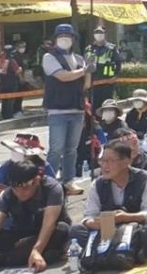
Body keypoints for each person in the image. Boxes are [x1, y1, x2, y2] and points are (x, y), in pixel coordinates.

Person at [70, 140, 147, 266]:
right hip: (106, 230)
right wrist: (94, 223)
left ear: (126, 162)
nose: (104, 166)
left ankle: (121, 252)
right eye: (102, 160)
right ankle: (116, 253)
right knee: (76, 230)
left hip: (133, 229)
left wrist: (124, 217)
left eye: (110, 161)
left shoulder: (146, 178)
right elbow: (89, 215)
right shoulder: (98, 183)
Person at [0, 160, 72, 270]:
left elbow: (49, 224)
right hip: (23, 232)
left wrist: (37, 250)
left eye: (24, 188)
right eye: (15, 188)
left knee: (62, 229)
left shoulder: (52, 188)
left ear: (36, 181)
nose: (19, 193)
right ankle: (16, 254)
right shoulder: (9, 194)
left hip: (48, 232)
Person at [42, 24, 93, 195]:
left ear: (73, 39)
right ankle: (48, 182)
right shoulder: (49, 57)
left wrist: (89, 72)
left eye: (68, 36)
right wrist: (84, 70)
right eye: (61, 36)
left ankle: (68, 181)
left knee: (72, 149)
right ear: (55, 39)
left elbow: (86, 85)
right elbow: (62, 76)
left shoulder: (79, 59)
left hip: (76, 109)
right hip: (57, 110)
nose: (65, 39)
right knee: (56, 148)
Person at [0, 133, 56, 200]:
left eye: (17, 150)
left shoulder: (44, 166)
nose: (14, 152)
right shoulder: (6, 166)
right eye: (13, 150)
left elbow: (53, 189)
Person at [84, 26, 122, 112]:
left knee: (107, 107)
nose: (98, 35)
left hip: (107, 84)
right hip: (93, 84)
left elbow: (118, 63)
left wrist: (116, 77)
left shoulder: (111, 48)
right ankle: (94, 124)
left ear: (105, 34)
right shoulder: (89, 49)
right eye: (96, 33)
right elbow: (85, 66)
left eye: (101, 33)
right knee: (93, 109)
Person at [0, 45, 23, 120]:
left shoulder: (1, 61)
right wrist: (20, 69)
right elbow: (17, 71)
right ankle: (9, 116)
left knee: (4, 100)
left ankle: (4, 115)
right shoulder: (12, 60)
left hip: (3, 83)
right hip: (12, 83)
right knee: (10, 100)